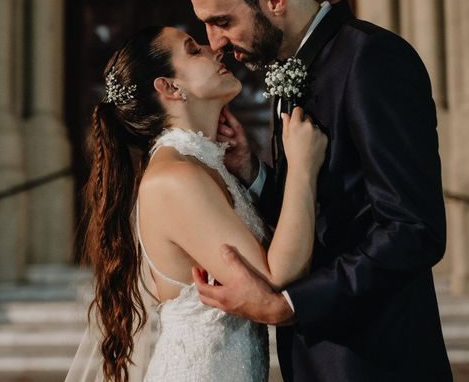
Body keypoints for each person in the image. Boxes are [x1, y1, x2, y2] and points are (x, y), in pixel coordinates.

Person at [184, 0, 453, 381]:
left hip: (375, 357)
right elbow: (318, 213)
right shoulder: (290, 67)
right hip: (315, 357)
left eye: (222, 21)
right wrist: (254, 171)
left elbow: (413, 228)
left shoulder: (372, 59)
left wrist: (289, 304)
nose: (216, 45)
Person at [65, 25, 327, 382]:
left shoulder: (203, 165)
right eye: (193, 49)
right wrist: (302, 168)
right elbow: (275, 278)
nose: (214, 49)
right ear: (170, 87)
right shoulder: (175, 178)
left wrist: (250, 167)